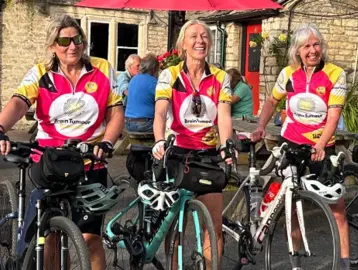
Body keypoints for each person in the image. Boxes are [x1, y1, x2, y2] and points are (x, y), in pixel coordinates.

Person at [0, 15, 124, 269]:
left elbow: (116, 112)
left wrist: (108, 142)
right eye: (64, 40)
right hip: (48, 162)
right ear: (52, 46)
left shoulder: (102, 68)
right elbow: (18, 102)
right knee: (49, 237)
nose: (72, 46)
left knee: (90, 238)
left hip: (90, 161)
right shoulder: (40, 73)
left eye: (77, 39)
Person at [251, 24, 350, 270]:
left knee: (336, 206)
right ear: (297, 50)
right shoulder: (288, 74)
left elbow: (333, 116)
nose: (312, 50)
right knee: (290, 205)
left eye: (316, 44)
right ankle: (295, 258)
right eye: (306, 46)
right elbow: (272, 100)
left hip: (320, 146)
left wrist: (320, 143)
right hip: (291, 143)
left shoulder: (335, 74)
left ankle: (345, 262)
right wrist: (261, 126)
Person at [151, 19, 232, 268]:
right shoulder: (170, 74)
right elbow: (161, 113)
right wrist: (159, 140)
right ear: (183, 44)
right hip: (177, 152)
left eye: (204, 36)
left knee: (214, 226)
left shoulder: (220, 77)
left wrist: (226, 147)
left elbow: (224, 116)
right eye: (193, 36)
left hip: (207, 155)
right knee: (174, 226)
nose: (200, 41)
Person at [125, 53, 159, 133]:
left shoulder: (133, 79)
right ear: (154, 68)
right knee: (166, 128)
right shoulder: (153, 82)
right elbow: (164, 100)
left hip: (128, 122)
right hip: (144, 123)